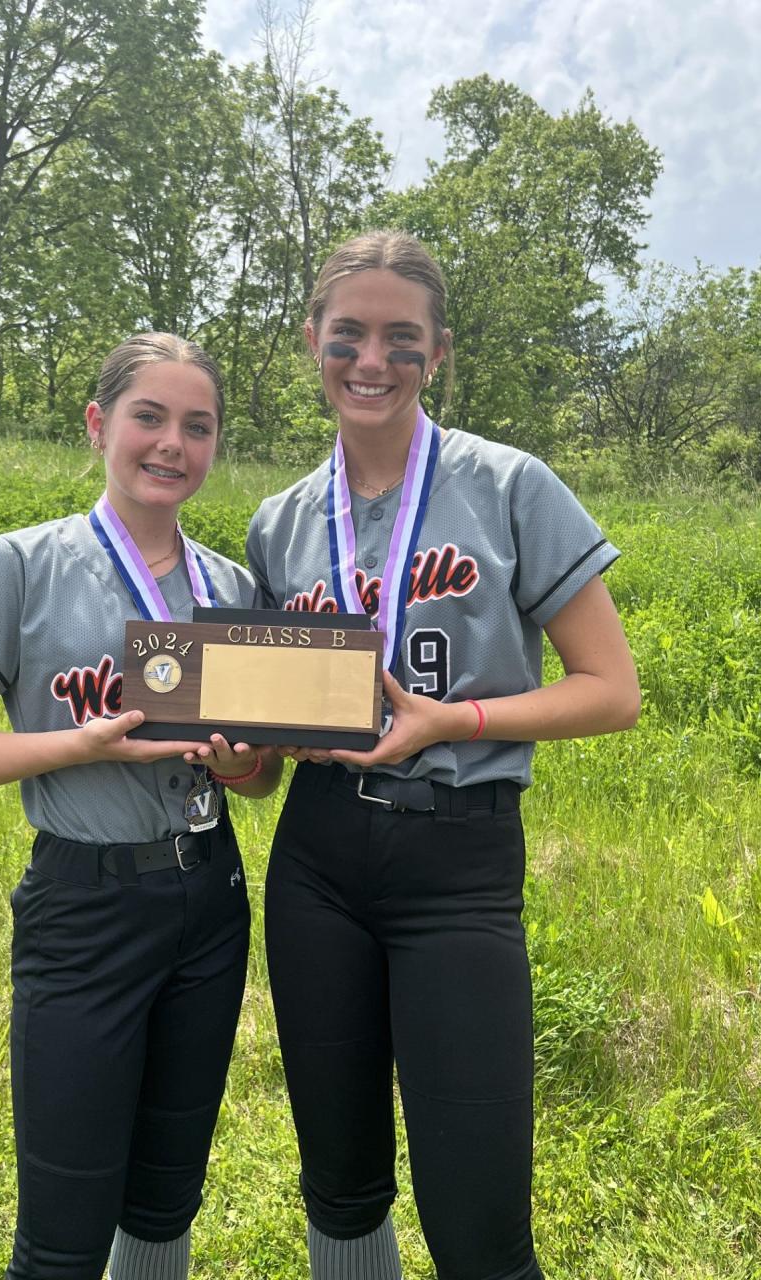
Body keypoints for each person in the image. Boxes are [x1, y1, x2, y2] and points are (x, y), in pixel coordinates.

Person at [246, 231, 640, 1280]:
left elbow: (612, 690)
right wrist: (234, 745)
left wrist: (453, 721)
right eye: (349, 336)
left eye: (401, 339)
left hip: (458, 859)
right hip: (319, 858)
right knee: (339, 1179)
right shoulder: (279, 523)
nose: (372, 360)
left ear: (439, 351)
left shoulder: (511, 484)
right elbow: (271, 741)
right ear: (311, 342)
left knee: (477, 1212)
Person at [0, 333, 281, 1280]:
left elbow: (259, 778)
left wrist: (242, 765)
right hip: (85, 909)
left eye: (198, 427)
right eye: (149, 416)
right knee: (65, 1223)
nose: (171, 444)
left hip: (210, 902)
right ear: (99, 423)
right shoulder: (20, 567)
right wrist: (83, 741)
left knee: (165, 1195)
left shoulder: (229, 590)